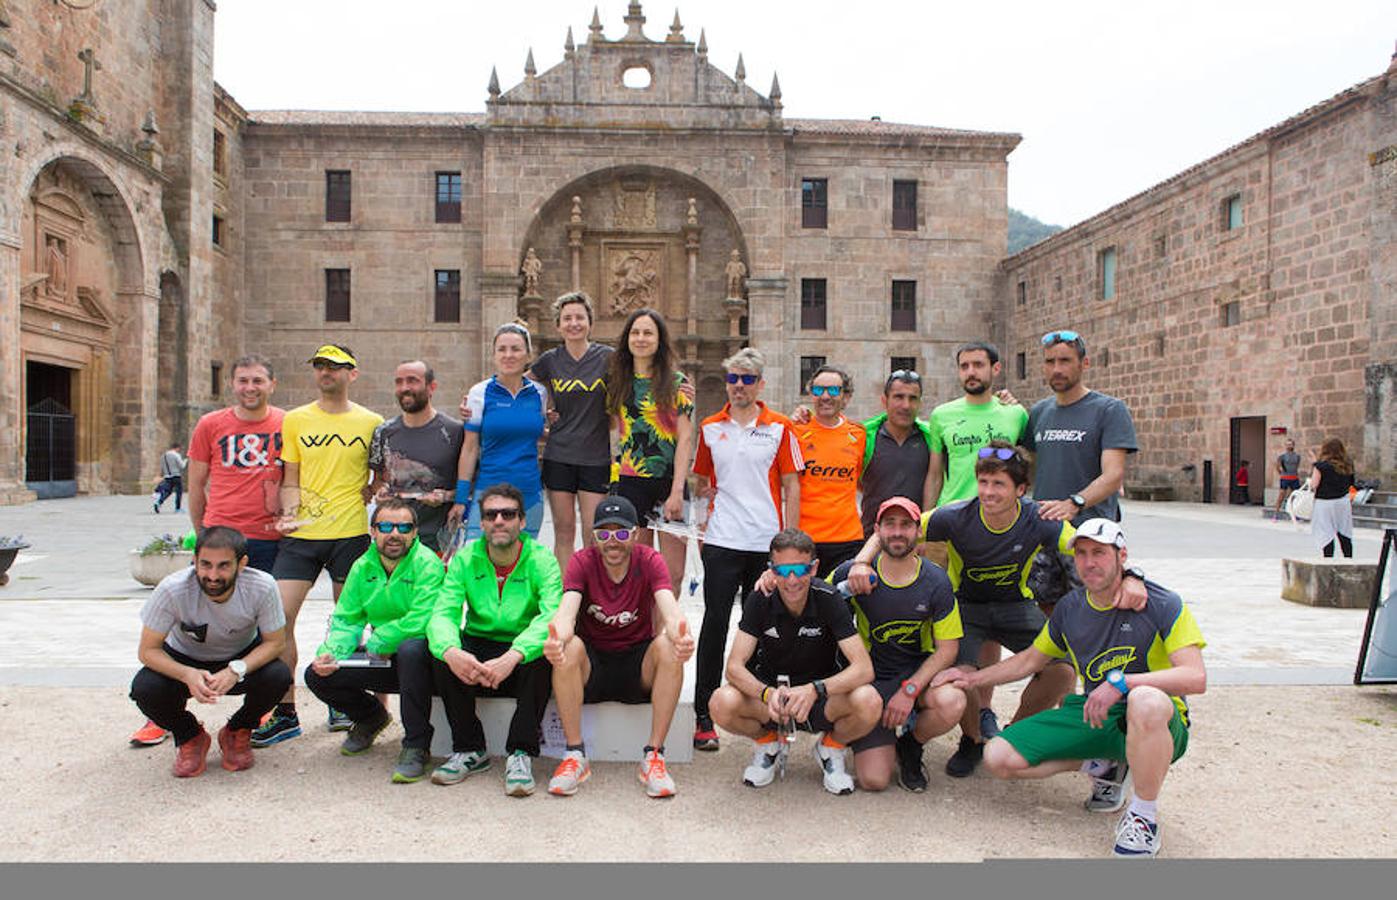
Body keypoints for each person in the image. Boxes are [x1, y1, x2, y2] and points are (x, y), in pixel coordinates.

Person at [847, 441, 1149, 779]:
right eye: (984, 482)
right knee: (959, 675)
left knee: (1062, 672)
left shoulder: (1038, 518)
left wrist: (1133, 576)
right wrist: (861, 562)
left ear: (1020, 490)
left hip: (1015, 604)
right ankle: (973, 739)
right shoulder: (956, 515)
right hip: (967, 606)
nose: (988, 492)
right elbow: (896, 528)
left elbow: (1090, 547)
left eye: (999, 484)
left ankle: (1014, 736)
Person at [932, 519, 1207, 858]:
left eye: (1099, 553)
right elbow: (1030, 660)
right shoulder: (1071, 607)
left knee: (1145, 701)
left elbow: (1195, 678)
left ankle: (1143, 816)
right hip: (1095, 712)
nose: (1089, 562)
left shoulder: (1161, 603)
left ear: (1122, 556)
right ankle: (1104, 767)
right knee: (999, 757)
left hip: (1158, 720)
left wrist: (1121, 683)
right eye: (1081, 554)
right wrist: (970, 678)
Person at [128, 355, 287, 751]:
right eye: (242, 380)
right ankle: (161, 712)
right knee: (190, 620)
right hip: (221, 535)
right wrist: (201, 534)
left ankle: (257, 703)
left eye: (257, 381)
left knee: (265, 620)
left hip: (268, 536)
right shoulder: (211, 424)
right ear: (232, 384)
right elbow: (196, 482)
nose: (249, 388)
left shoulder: (288, 423)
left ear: (272, 384)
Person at [253, 343, 383, 747]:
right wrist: (289, 512)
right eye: (320, 367)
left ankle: (342, 702)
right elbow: (290, 477)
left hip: (349, 534)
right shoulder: (294, 420)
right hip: (302, 537)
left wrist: (371, 492)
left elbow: (379, 474)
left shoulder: (371, 421)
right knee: (277, 619)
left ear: (353, 373)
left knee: (348, 624)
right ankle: (286, 709)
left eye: (335, 367)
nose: (326, 373)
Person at [541, 495, 696, 798]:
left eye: (622, 533)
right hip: (593, 664)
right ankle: (574, 755)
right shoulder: (582, 561)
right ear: (594, 536)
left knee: (669, 647)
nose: (613, 542)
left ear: (636, 534)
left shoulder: (649, 560)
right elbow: (567, 612)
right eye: (604, 534)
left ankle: (653, 756)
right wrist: (556, 638)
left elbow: (669, 606)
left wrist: (682, 636)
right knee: (568, 648)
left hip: (636, 663)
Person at [708, 529, 881, 795]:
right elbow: (734, 666)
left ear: (814, 568)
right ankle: (769, 744)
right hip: (774, 700)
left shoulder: (829, 598)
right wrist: (767, 694)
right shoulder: (759, 598)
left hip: (821, 698)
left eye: (800, 570)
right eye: (782, 570)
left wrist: (815, 690)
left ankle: (831, 748)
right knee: (721, 703)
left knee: (869, 701)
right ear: (771, 570)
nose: (791, 580)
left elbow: (864, 668)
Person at [691, 347, 803, 751]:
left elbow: (792, 484)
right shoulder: (709, 427)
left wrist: (791, 544)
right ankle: (703, 715)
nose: (739, 386)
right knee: (715, 624)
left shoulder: (780, 426)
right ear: (727, 383)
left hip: (765, 545)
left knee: (767, 629)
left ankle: (768, 712)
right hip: (722, 542)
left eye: (747, 379)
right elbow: (701, 481)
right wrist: (703, 523)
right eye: (733, 379)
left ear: (760, 384)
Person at [428, 484, 562, 796]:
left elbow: (550, 616)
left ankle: (521, 752)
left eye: (508, 514)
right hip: (479, 647)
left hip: (520, 650)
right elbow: (443, 612)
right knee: (438, 650)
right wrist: (451, 651)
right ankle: (470, 749)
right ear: (483, 522)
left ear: (522, 521)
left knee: (544, 651)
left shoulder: (542, 560)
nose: (499, 520)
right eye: (491, 515)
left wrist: (514, 654)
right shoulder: (465, 559)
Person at [128, 527, 292, 778]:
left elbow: (276, 643)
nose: (212, 575)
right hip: (183, 658)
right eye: (205, 565)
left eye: (224, 566)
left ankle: (238, 730)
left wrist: (237, 670)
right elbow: (148, 650)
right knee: (145, 688)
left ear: (242, 564)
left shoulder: (262, 586)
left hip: (239, 657)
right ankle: (189, 735)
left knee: (279, 675)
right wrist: (186, 674)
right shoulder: (172, 589)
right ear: (194, 561)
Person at [830, 499, 966, 793]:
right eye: (890, 524)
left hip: (914, 676)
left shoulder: (936, 581)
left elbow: (947, 649)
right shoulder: (852, 573)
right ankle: (861, 732)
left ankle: (911, 744)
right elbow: (810, 598)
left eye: (906, 525)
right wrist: (771, 577)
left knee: (952, 701)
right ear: (877, 530)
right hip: (872, 680)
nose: (897, 532)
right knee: (874, 780)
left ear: (918, 531)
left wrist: (909, 691)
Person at [303, 499, 442, 783]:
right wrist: (330, 653)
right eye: (386, 526)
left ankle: (417, 745)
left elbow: (422, 620)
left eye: (404, 526)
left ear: (415, 532)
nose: (395, 533)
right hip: (385, 655)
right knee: (317, 675)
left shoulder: (428, 564)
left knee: (411, 648)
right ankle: (371, 717)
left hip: (427, 662)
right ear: (373, 531)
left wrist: (378, 641)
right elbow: (347, 619)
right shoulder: (362, 567)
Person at [605, 307, 694, 591]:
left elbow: (685, 438)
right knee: (638, 571)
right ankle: (644, 632)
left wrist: (678, 490)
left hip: (670, 483)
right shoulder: (617, 382)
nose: (641, 339)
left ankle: (667, 630)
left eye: (648, 333)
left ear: (659, 340)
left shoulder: (677, 383)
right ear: (627, 339)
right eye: (635, 332)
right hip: (631, 483)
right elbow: (612, 431)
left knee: (672, 573)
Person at [530, 292, 614, 570]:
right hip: (559, 456)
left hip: (596, 457)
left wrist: (678, 385)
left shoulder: (607, 358)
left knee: (593, 534)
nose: (574, 323)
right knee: (563, 533)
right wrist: (477, 399)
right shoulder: (550, 361)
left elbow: (641, 379)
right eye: (567, 318)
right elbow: (518, 385)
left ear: (590, 322)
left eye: (579, 317)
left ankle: (590, 595)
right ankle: (566, 597)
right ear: (558, 325)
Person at [1024, 331, 1137, 525]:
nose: (1056, 369)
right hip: (1044, 528)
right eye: (1050, 362)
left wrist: (1073, 504)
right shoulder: (1038, 412)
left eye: (1065, 361)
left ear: (1084, 363)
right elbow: (1032, 467)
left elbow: (1113, 475)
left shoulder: (1109, 410)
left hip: (1090, 531)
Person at [450, 323, 549, 541]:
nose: (508, 355)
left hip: (530, 495)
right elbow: (470, 448)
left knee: (523, 565)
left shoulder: (539, 394)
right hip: (488, 494)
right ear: (493, 355)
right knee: (478, 564)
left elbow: (538, 432)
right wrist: (460, 498)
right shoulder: (479, 393)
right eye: (502, 349)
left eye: (516, 349)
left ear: (528, 355)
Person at [366, 360, 463, 554]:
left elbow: (472, 485)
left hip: (438, 540)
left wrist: (446, 496)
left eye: (412, 381)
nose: (404, 388)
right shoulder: (383, 432)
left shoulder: (455, 432)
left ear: (431, 387)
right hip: (393, 539)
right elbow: (377, 481)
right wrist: (381, 491)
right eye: (399, 382)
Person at [927, 342, 1028, 508]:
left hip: (1000, 513)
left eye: (978, 365)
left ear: (995, 369)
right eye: (964, 366)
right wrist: (926, 518)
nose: (971, 372)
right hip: (953, 512)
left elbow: (1027, 465)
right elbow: (935, 475)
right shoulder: (941, 415)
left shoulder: (1016, 414)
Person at [794, 364, 866, 577]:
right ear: (811, 395)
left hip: (846, 540)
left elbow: (863, 480)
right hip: (805, 540)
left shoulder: (859, 435)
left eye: (833, 390)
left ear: (846, 397)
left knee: (841, 608)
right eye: (818, 390)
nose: (825, 396)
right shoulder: (796, 431)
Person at [860, 369, 935, 537]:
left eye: (913, 398)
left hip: (917, 540)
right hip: (871, 537)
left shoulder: (931, 439)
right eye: (898, 397)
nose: (906, 405)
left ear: (920, 403)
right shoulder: (864, 437)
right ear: (884, 400)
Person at [1309, 438, 1355, 558]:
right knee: (1344, 531)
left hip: (1324, 503)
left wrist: (1314, 464)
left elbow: (1314, 484)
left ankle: (1328, 558)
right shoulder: (1348, 465)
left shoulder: (1321, 466)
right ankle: (1348, 557)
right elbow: (1352, 484)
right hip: (1343, 502)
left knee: (1326, 532)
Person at [153, 442, 187, 513]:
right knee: (179, 492)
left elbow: (162, 467)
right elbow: (182, 466)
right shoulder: (176, 455)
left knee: (168, 491)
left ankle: (159, 502)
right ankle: (177, 508)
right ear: (177, 448)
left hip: (167, 476)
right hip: (176, 476)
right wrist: (186, 461)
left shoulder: (163, 456)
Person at [1274, 439, 1302, 517]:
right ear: (1286, 446)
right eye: (1288, 444)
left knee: (1295, 496)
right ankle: (1276, 513)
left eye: (1291, 444)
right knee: (1281, 495)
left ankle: (1294, 514)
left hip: (1294, 478)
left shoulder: (1297, 456)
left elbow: (1297, 466)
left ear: (1293, 445)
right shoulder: (1282, 457)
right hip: (1285, 478)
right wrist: (1281, 474)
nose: (1289, 446)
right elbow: (1277, 466)